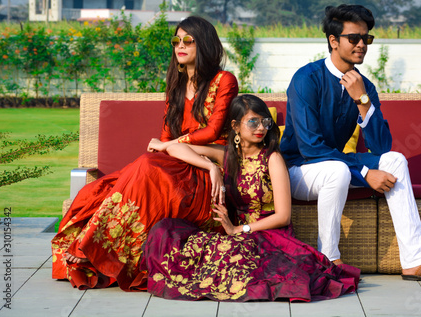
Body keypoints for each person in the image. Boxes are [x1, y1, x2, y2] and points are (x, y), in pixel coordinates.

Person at [51, 16, 239, 291]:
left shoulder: (224, 80)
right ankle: (97, 253)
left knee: (146, 164)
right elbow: (164, 139)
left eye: (188, 40)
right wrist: (168, 146)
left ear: (205, 44)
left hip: (207, 168)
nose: (180, 45)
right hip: (177, 163)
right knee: (108, 185)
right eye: (176, 40)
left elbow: (211, 132)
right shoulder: (175, 85)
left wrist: (170, 146)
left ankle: (89, 251)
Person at [280, 4, 421, 284]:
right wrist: (363, 173)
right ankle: (328, 259)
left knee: (396, 160)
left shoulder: (365, 87)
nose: (362, 44)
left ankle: (414, 261)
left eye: (367, 38)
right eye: (354, 38)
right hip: (296, 172)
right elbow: (310, 148)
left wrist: (362, 100)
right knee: (336, 171)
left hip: (335, 169)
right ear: (333, 41)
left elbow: (381, 147)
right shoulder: (306, 79)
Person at [140, 95, 360, 302]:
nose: (262, 128)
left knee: (239, 266)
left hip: (271, 237)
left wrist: (240, 230)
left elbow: (283, 216)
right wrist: (209, 166)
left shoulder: (272, 158)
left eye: (265, 122)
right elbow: (179, 148)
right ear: (235, 126)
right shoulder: (227, 155)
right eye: (253, 122)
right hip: (237, 235)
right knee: (165, 232)